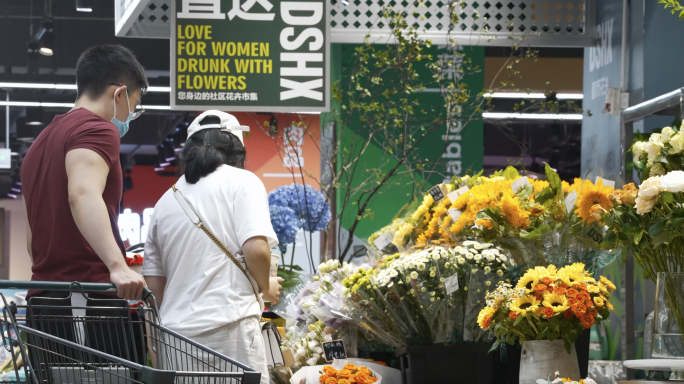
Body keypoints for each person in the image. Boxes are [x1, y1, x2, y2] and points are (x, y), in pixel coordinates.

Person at [19, 45, 150, 375]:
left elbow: (32, 233)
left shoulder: (40, 143)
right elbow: (82, 193)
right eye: (132, 107)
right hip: (85, 298)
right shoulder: (97, 128)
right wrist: (117, 266)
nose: (129, 118)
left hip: (47, 299)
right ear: (119, 93)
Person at [143, 111, 283, 384]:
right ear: (237, 150)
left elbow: (154, 285)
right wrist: (266, 286)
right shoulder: (243, 182)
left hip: (177, 340)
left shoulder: (165, 201)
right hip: (230, 332)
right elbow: (256, 249)